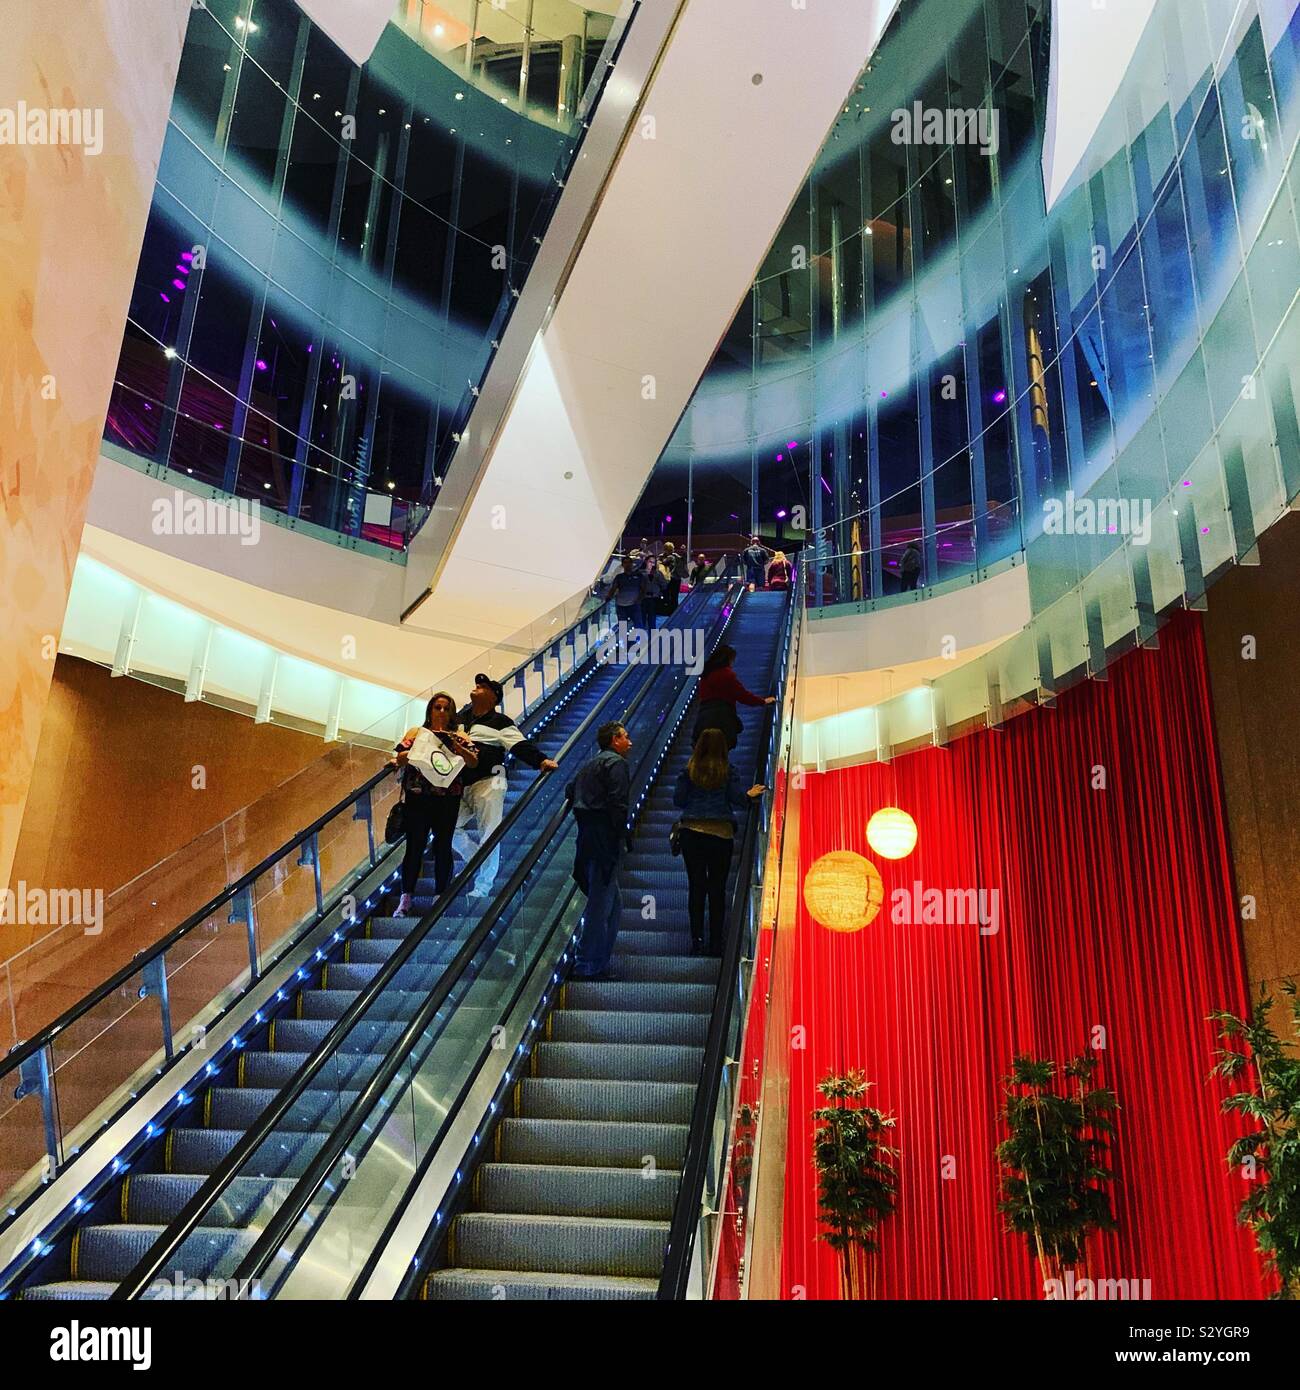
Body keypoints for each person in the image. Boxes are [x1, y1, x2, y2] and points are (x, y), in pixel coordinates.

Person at [454, 674, 558, 898]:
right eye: (477, 685)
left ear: (494, 697)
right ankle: (477, 859)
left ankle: (483, 887)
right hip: (460, 786)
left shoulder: (501, 722)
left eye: (485, 686)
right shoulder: (460, 718)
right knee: (445, 828)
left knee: (489, 833)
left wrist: (540, 760)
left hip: (489, 782)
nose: (478, 686)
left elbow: (519, 745)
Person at [674, 730, 764, 955]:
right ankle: (716, 942)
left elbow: (678, 800)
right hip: (720, 835)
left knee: (696, 887)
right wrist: (749, 794)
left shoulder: (689, 770)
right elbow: (737, 799)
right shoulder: (728, 771)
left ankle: (697, 940)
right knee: (717, 889)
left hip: (691, 834)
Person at [392, 692, 479, 915]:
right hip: (418, 796)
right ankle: (405, 898)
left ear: (452, 713)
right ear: (430, 710)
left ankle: (441, 895)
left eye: (446, 708)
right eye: (437, 707)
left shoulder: (460, 735)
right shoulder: (417, 732)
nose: (441, 712)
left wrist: (457, 747)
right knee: (415, 846)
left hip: (447, 798)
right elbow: (399, 758)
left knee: (443, 846)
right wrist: (416, 750)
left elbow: (473, 762)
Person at [566, 721, 633, 979]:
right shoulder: (616, 764)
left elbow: (570, 790)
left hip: (586, 838)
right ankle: (586, 964)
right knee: (599, 905)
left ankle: (598, 962)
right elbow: (618, 802)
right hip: (604, 838)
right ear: (614, 740)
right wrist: (623, 836)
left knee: (613, 906)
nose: (630, 742)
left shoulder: (589, 764)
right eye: (625, 737)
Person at [691, 643, 776, 750]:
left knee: (703, 749)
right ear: (727, 659)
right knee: (721, 748)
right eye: (732, 660)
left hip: (703, 717)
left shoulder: (705, 674)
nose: (732, 664)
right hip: (722, 718)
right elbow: (743, 695)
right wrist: (762, 701)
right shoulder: (727, 675)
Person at [604, 554, 646, 631]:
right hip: (621, 605)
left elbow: (643, 589)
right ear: (622, 565)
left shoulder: (639, 576)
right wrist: (608, 597)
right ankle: (623, 642)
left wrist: (639, 600)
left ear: (632, 564)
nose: (627, 564)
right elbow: (613, 589)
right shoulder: (619, 577)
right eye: (625, 563)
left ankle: (641, 641)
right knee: (623, 626)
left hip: (634, 605)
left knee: (638, 625)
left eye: (629, 562)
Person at [639, 553, 666, 631]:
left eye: (653, 562)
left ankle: (652, 638)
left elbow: (664, 585)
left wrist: (659, 593)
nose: (651, 564)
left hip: (653, 599)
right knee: (642, 619)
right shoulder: (640, 573)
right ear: (646, 562)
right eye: (650, 562)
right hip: (642, 599)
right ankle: (641, 637)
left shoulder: (658, 573)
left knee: (652, 620)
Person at [660, 542, 685, 613]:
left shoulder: (675, 556)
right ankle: (667, 610)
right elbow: (659, 564)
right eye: (668, 550)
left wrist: (684, 552)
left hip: (675, 579)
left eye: (671, 550)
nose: (670, 551)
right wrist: (665, 560)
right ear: (665, 550)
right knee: (666, 595)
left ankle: (675, 612)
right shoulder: (661, 556)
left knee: (675, 596)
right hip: (665, 579)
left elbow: (682, 560)